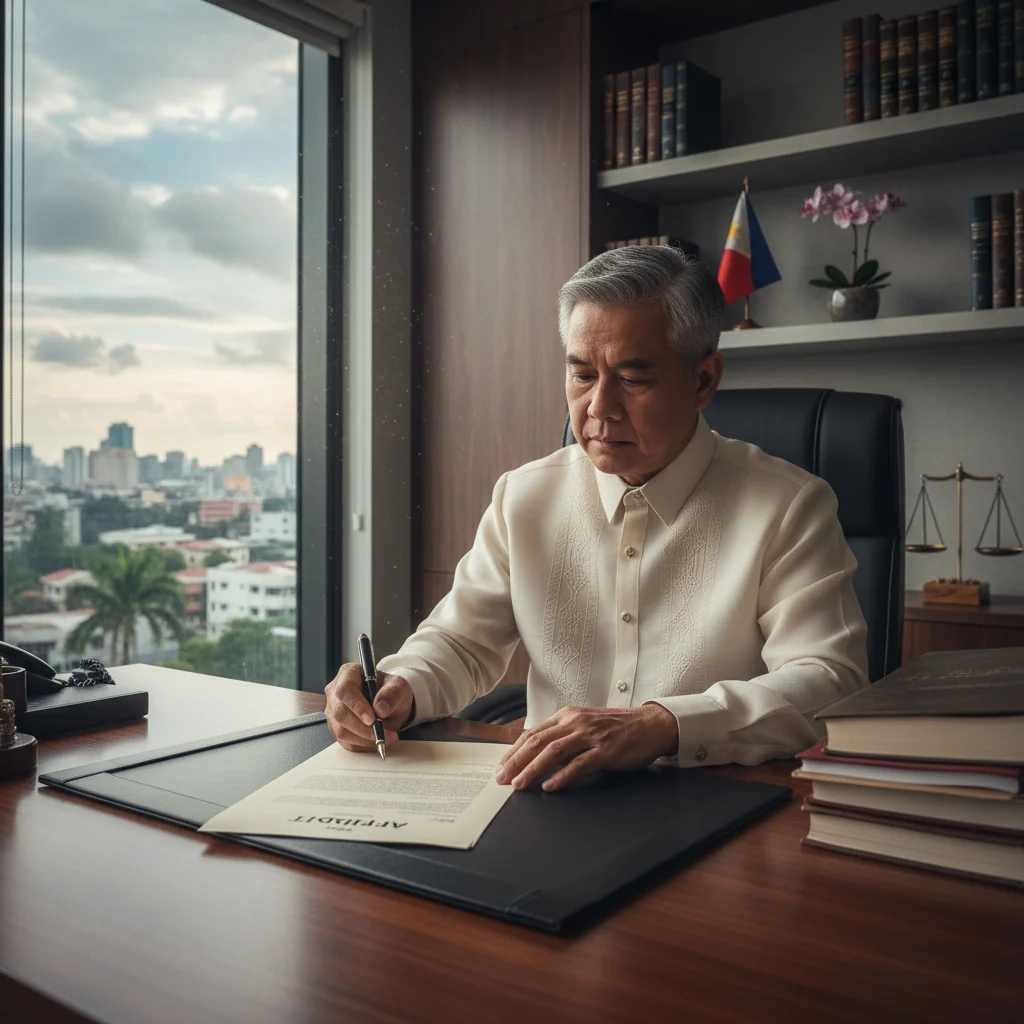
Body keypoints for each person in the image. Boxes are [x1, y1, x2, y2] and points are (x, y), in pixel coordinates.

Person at [325, 246, 869, 792]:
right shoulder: (524, 496)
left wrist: (665, 725)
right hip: (546, 796)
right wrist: (399, 686)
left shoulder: (789, 505)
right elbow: (462, 642)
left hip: (711, 798)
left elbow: (829, 682)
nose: (599, 407)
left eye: (632, 380)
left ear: (704, 380)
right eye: (582, 375)